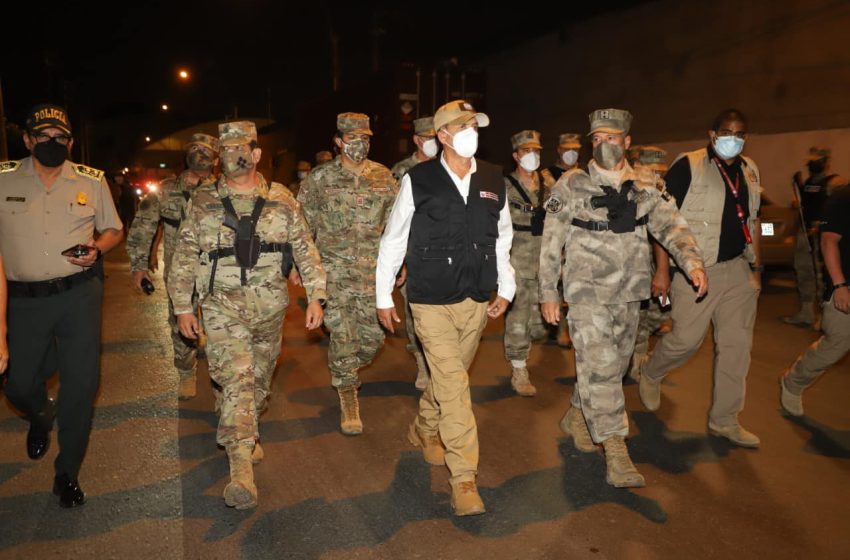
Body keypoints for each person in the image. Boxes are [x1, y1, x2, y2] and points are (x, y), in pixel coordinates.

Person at [539, 108, 706, 487]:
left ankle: (578, 415)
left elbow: (671, 225)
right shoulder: (571, 183)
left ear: (627, 141)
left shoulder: (647, 183)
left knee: (612, 368)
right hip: (586, 292)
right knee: (600, 366)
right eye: (596, 139)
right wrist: (548, 292)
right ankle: (616, 449)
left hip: (631, 292)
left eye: (611, 138)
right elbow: (551, 242)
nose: (603, 145)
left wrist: (692, 262)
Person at [169, 121, 326, 510]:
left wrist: (317, 296)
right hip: (221, 307)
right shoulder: (204, 201)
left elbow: (305, 248)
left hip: (270, 307)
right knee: (238, 378)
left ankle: (245, 425)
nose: (234, 156)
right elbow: (184, 256)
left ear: (256, 154)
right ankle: (240, 470)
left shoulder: (282, 198)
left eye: (242, 148)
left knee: (258, 379)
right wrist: (183, 307)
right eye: (226, 150)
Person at [376, 99, 515, 516]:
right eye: (462, 125)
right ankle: (464, 479)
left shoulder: (493, 178)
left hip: (476, 296)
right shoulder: (418, 180)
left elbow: (503, 238)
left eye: (474, 124)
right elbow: (394, 239)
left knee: (446, 379)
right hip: (430, 298)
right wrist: (384, 295)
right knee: (455, 385)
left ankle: (423, 428)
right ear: (442, 135)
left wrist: (505, 289)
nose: (471, 130)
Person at [0, 103, 123, 507]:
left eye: (60, 138)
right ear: (27, 140)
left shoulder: (91, 179)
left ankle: (67, 472)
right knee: (17, 384)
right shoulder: (2, 179)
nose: (51, 143)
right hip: (23, 300)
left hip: (79, 295)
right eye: (43, 137)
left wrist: (98, 248)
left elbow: (113, 229)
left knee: (81, 386)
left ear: (69, 141)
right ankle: (39, 414)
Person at [639, 109, 763, 448]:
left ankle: (725, 419)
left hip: (738, 269)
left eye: (739, 133)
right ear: (712, 134)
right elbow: (662, 219)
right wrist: (662, 271)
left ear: (745, 137)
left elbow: (755, 222)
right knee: (686, 340)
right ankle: (651, 371)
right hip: (696, 271)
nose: (732, 138)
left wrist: (757, 268)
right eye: (726, 132)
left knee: (737, 348)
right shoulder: (688, 166)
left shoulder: (750, 171)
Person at [297, 113, 398, 435]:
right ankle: (347, 394)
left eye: (365, 138)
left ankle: (346, 369)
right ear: (339, 141)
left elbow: (398, 226)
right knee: (343, 335)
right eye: (353, 138)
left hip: (373, 273)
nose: (360, 144)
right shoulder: (319, 179)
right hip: (333, 273)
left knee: (372, 340)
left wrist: (402, 262)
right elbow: (302, 226)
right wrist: (299, 266)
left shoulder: (383, 177)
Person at [126, 133, 219, 399]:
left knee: (221, 324)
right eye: (195, 149)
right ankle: (186, 371)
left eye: (206, 150)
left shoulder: (223, 190)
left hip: (218, 272)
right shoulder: (166, 190)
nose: (200, 154)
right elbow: (143, 227)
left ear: (215, 159)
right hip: (181, 273)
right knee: (180, 322)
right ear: (186, 155)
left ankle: (223, 375)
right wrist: (139, 265)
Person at [780, 185, 850, 415]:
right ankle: (794, 381)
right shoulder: (843, 196)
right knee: (837, 343)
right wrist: (839, 285)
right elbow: (828, 242)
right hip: (845, 287)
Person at [503, 129, 554, 396]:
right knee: (519, 317)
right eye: (526, 151)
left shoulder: (549, 182)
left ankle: (522, 352)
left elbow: (560, 213)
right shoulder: (506, 186)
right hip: (517, 259)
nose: (531, 156)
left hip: (545, 258)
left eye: (536, 151)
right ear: (515, 155)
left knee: (537, 325)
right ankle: (519, 367)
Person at [390, 116, 438, 390]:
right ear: (417, 140)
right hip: (414, 251)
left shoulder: (446, 167)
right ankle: (422, 362)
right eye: (428, 138)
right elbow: (395, 218)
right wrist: (401, 259)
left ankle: (438, 363)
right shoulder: (402, 170)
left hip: (443, 250)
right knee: (415, 311)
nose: (432, 143)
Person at [785, 147, 845, 327]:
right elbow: (806, 205)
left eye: (817, 161)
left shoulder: (835, 183)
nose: (813, 164)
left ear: (826, 162)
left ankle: (825, 318)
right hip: (805, 234)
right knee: (803, 272)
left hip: (823, 236)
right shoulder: (809, 182)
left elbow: (839, 210)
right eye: (811, 161)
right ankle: (806, 313)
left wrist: (819, 226)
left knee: (822, 276)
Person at [629, 146, 673, 380]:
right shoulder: (630, 190)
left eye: (661, 172)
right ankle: (635, 363)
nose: (659, 176)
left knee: (663, 308)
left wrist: (662, 271)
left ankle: (638, 359)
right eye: (653, 171)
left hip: (654, 267)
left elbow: (664, 233)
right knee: (638, 315)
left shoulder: (660, 191)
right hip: (632, 268)